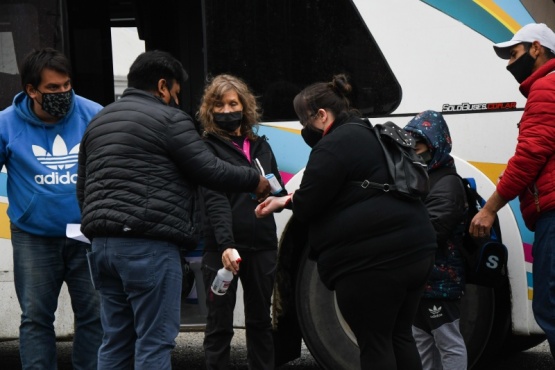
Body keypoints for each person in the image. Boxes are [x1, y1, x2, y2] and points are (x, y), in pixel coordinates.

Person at [76, 51, 270, 369]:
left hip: (102, 249)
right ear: (163, 86)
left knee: (115, 342)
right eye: (176, 93)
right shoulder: (169, 119)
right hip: (148, 247)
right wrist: (254, 180)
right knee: (154, 343)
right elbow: (208, 170)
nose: (176, 101)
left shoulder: (99, 120)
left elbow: (83, 189)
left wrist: (105, 229)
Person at [255, 74, 437, 369]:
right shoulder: (368, 132)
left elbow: (311, 203)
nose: (304, 129)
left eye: (304, 121)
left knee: (375, 342)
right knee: (400, 335)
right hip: (417, 250)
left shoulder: (332, 145)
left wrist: (287, 202)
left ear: (322, 116)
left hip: (373, 262)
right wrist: (286, 200)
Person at [0, 47, 103, 369]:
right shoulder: (5, 124)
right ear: (31, 90)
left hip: (87, 235)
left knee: (96, 315)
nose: (63, 94)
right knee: (36, 318)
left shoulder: (94, 114)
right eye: (53, 89)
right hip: (34, 237)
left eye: (67, 86)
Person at [469, 23, 555, 359]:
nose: (508, 64)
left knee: (549, 305)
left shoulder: (546, 87)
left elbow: (528, 156)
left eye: (514, 54)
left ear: (537, 48)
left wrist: (490, 208)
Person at [196, 74, 288, 369]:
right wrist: (226, 244)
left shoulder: (261, 145)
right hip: (222, 250)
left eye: (232, 103)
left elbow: (276, 191)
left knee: (261, 322)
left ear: (244, 106)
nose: (226, 110)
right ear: (210, 111)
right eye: (219, 105)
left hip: (261, 245)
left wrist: (279, 195)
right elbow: (215, 200)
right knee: (219, 324)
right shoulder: (206, 148)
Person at [404, 110, 468, 370]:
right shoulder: (425, 178)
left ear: (434, 145)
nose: (414, 151)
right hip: (424, 280)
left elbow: (432, 230)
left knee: (448, 342)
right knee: (421, 342)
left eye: (419, 145)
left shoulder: (447, 184)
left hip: (440, 281)